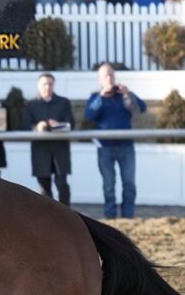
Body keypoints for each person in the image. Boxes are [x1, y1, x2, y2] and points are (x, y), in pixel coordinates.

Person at [84, 63, 146, 218]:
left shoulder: (123, 94)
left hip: (126, 146)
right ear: (100, 79)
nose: (109, 78)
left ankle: (128, 216)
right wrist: (102, 96)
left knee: (129, 183)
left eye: (111, 74)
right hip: (105, 147)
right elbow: (89, 115)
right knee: (109, 185)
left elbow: (142, 108)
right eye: (105, 75)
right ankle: (110, 216)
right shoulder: (95, 96)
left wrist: (128, 93)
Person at [25, 73, 74, 205]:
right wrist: (37, 127)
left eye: (50, 84)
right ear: (38, 86)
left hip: (60, 150)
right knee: (44, 188)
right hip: (40, 150)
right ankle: (49, 215)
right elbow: (25, 125)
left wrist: (58, 125)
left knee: (62, 185)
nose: (47, 87)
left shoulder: (63, 102)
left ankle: (66, 213)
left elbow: (71, 124)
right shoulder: (31, 104)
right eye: (44, 84)